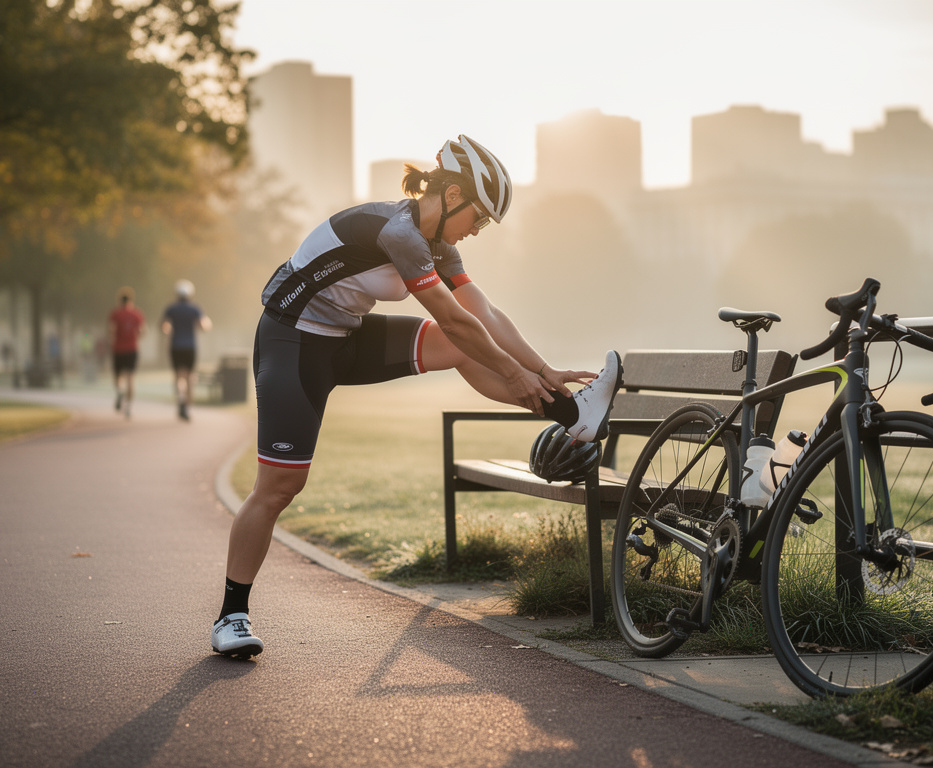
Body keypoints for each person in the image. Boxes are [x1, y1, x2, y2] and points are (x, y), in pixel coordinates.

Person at [212, 135, 622, 658]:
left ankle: (575, 416)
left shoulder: (439, 245)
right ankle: (231, 614)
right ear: (452, 196)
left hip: (348, 336)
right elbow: (452, 317)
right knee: (279, 487)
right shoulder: (399, 232)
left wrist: (543, 370)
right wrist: (515, 376)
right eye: (479, 216)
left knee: (463, 346)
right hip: (293, 339)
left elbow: (486, 315)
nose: (479, 229)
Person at [162, 279, 212, 421]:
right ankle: (187, 406)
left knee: (179, 376)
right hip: (190, 347)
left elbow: (164, 327)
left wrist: (169, 331)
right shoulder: (195, 308)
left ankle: (181, 399)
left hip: (175, 346)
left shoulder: (171, 308)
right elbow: (204, 325)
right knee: (190, 377)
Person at [108, 286, 146, 419]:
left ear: (120, 301)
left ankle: (119, 392)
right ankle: (128, 406)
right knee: (130, 378)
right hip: (132, 349)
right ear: (131, 300)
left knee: (118, 376)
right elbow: (142, 332)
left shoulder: (115, 314)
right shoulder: (137, 314)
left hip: (118, 349)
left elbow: (111, 331)